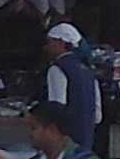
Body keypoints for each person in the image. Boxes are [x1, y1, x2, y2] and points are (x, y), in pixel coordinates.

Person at [36, 20, 103, 151]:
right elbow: (98, 116)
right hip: (86, 138)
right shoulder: (88, 70)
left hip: (66, 138)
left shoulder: (58, 68)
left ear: (61, 43)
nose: (46, 47)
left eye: (50, 42)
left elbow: (56, 106)